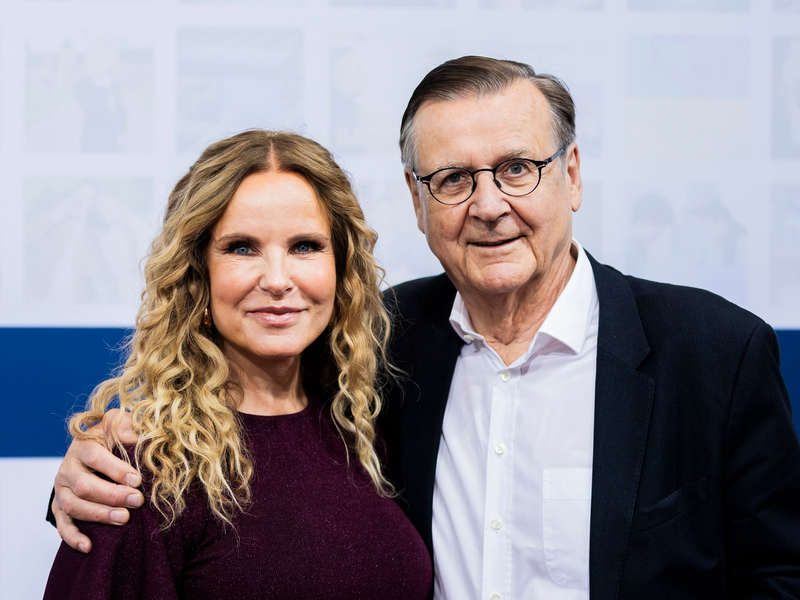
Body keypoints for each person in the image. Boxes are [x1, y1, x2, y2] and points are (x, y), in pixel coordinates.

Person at [50, 57, 800, 599]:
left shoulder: (713, 353)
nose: (488, 204)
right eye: (453, 179)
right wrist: (84, 482)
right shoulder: (382, 345)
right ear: (416, 201)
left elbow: (780, 578)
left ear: (571, 174)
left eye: (517, 168)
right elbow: (229, 443)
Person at [43, 129, 432, 599]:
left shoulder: (363, 430)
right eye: (242, 247)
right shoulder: (145, 470)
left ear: (341, 268)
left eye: (305, 246)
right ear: (198, 274)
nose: (276, 279)